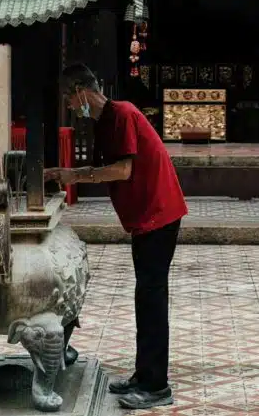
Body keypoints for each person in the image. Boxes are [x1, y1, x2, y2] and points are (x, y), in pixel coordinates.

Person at [45, 64, 187, 411]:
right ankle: (144, 374)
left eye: (67, 96)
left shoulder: (123, 113)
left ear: (81, 90)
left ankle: (157, 386)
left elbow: (123, 169)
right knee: (144, 297)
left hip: (159, 215)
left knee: (152, 299)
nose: (67, 105)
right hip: (144, 220)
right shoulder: (103, 122)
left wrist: (72, 175)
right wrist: (67, 175)